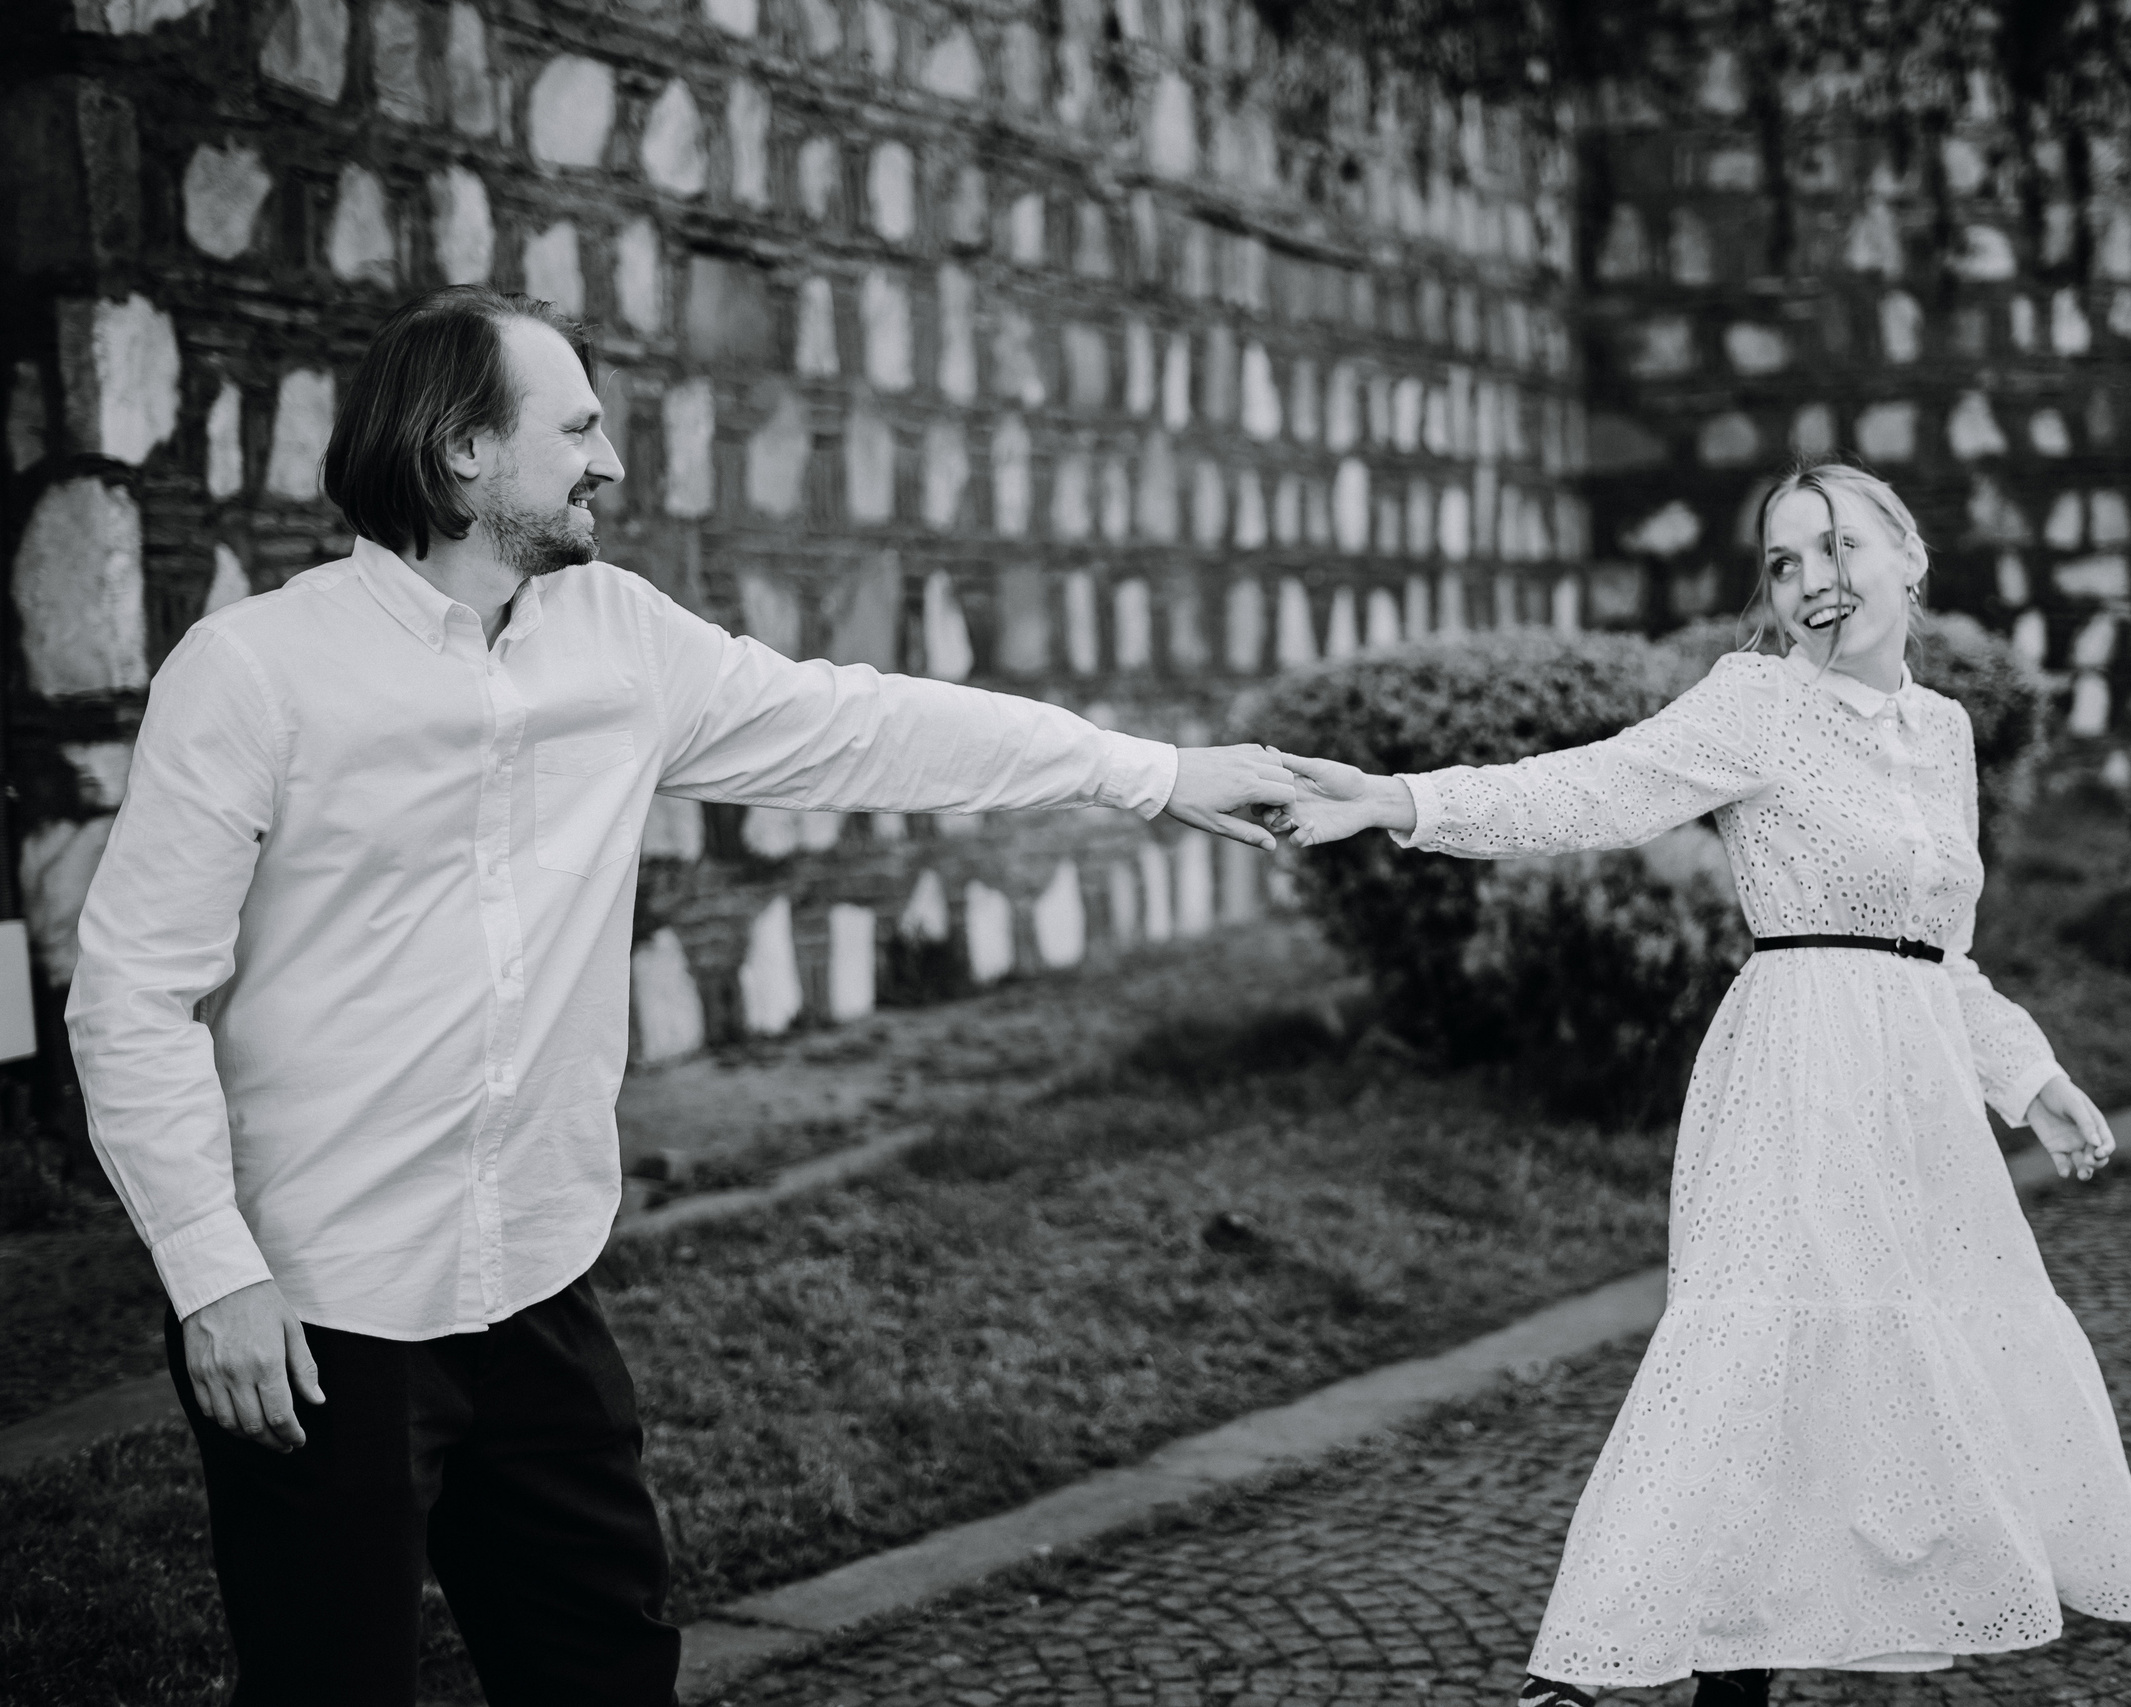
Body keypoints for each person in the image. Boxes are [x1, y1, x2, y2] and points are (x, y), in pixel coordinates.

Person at [64, 284, 1300, 1706]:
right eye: (578, 429)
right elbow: (132, 994)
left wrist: (1152, 772)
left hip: (537, 1282)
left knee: (606, 1668)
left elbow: (868, 724)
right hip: (321, 1308)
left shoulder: (623, 641)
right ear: (462, 450)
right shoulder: (253, 673)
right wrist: (213, 1274)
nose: (610, 462)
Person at [1270, 464, 2131, 1706]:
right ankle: (1575, 1676)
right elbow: (1592, 786)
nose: (1811, 582)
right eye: (1783, 562)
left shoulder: (1943, 734)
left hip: (1913, 1108)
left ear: (1909, 558)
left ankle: (1731, 1678)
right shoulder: (1758, 702)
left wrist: (2030, 1077)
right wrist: (1399, 801)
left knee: (1849, 1388)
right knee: (1745, 1361)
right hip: (1794, 1073)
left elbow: (1941, 955)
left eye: (1838, 547)